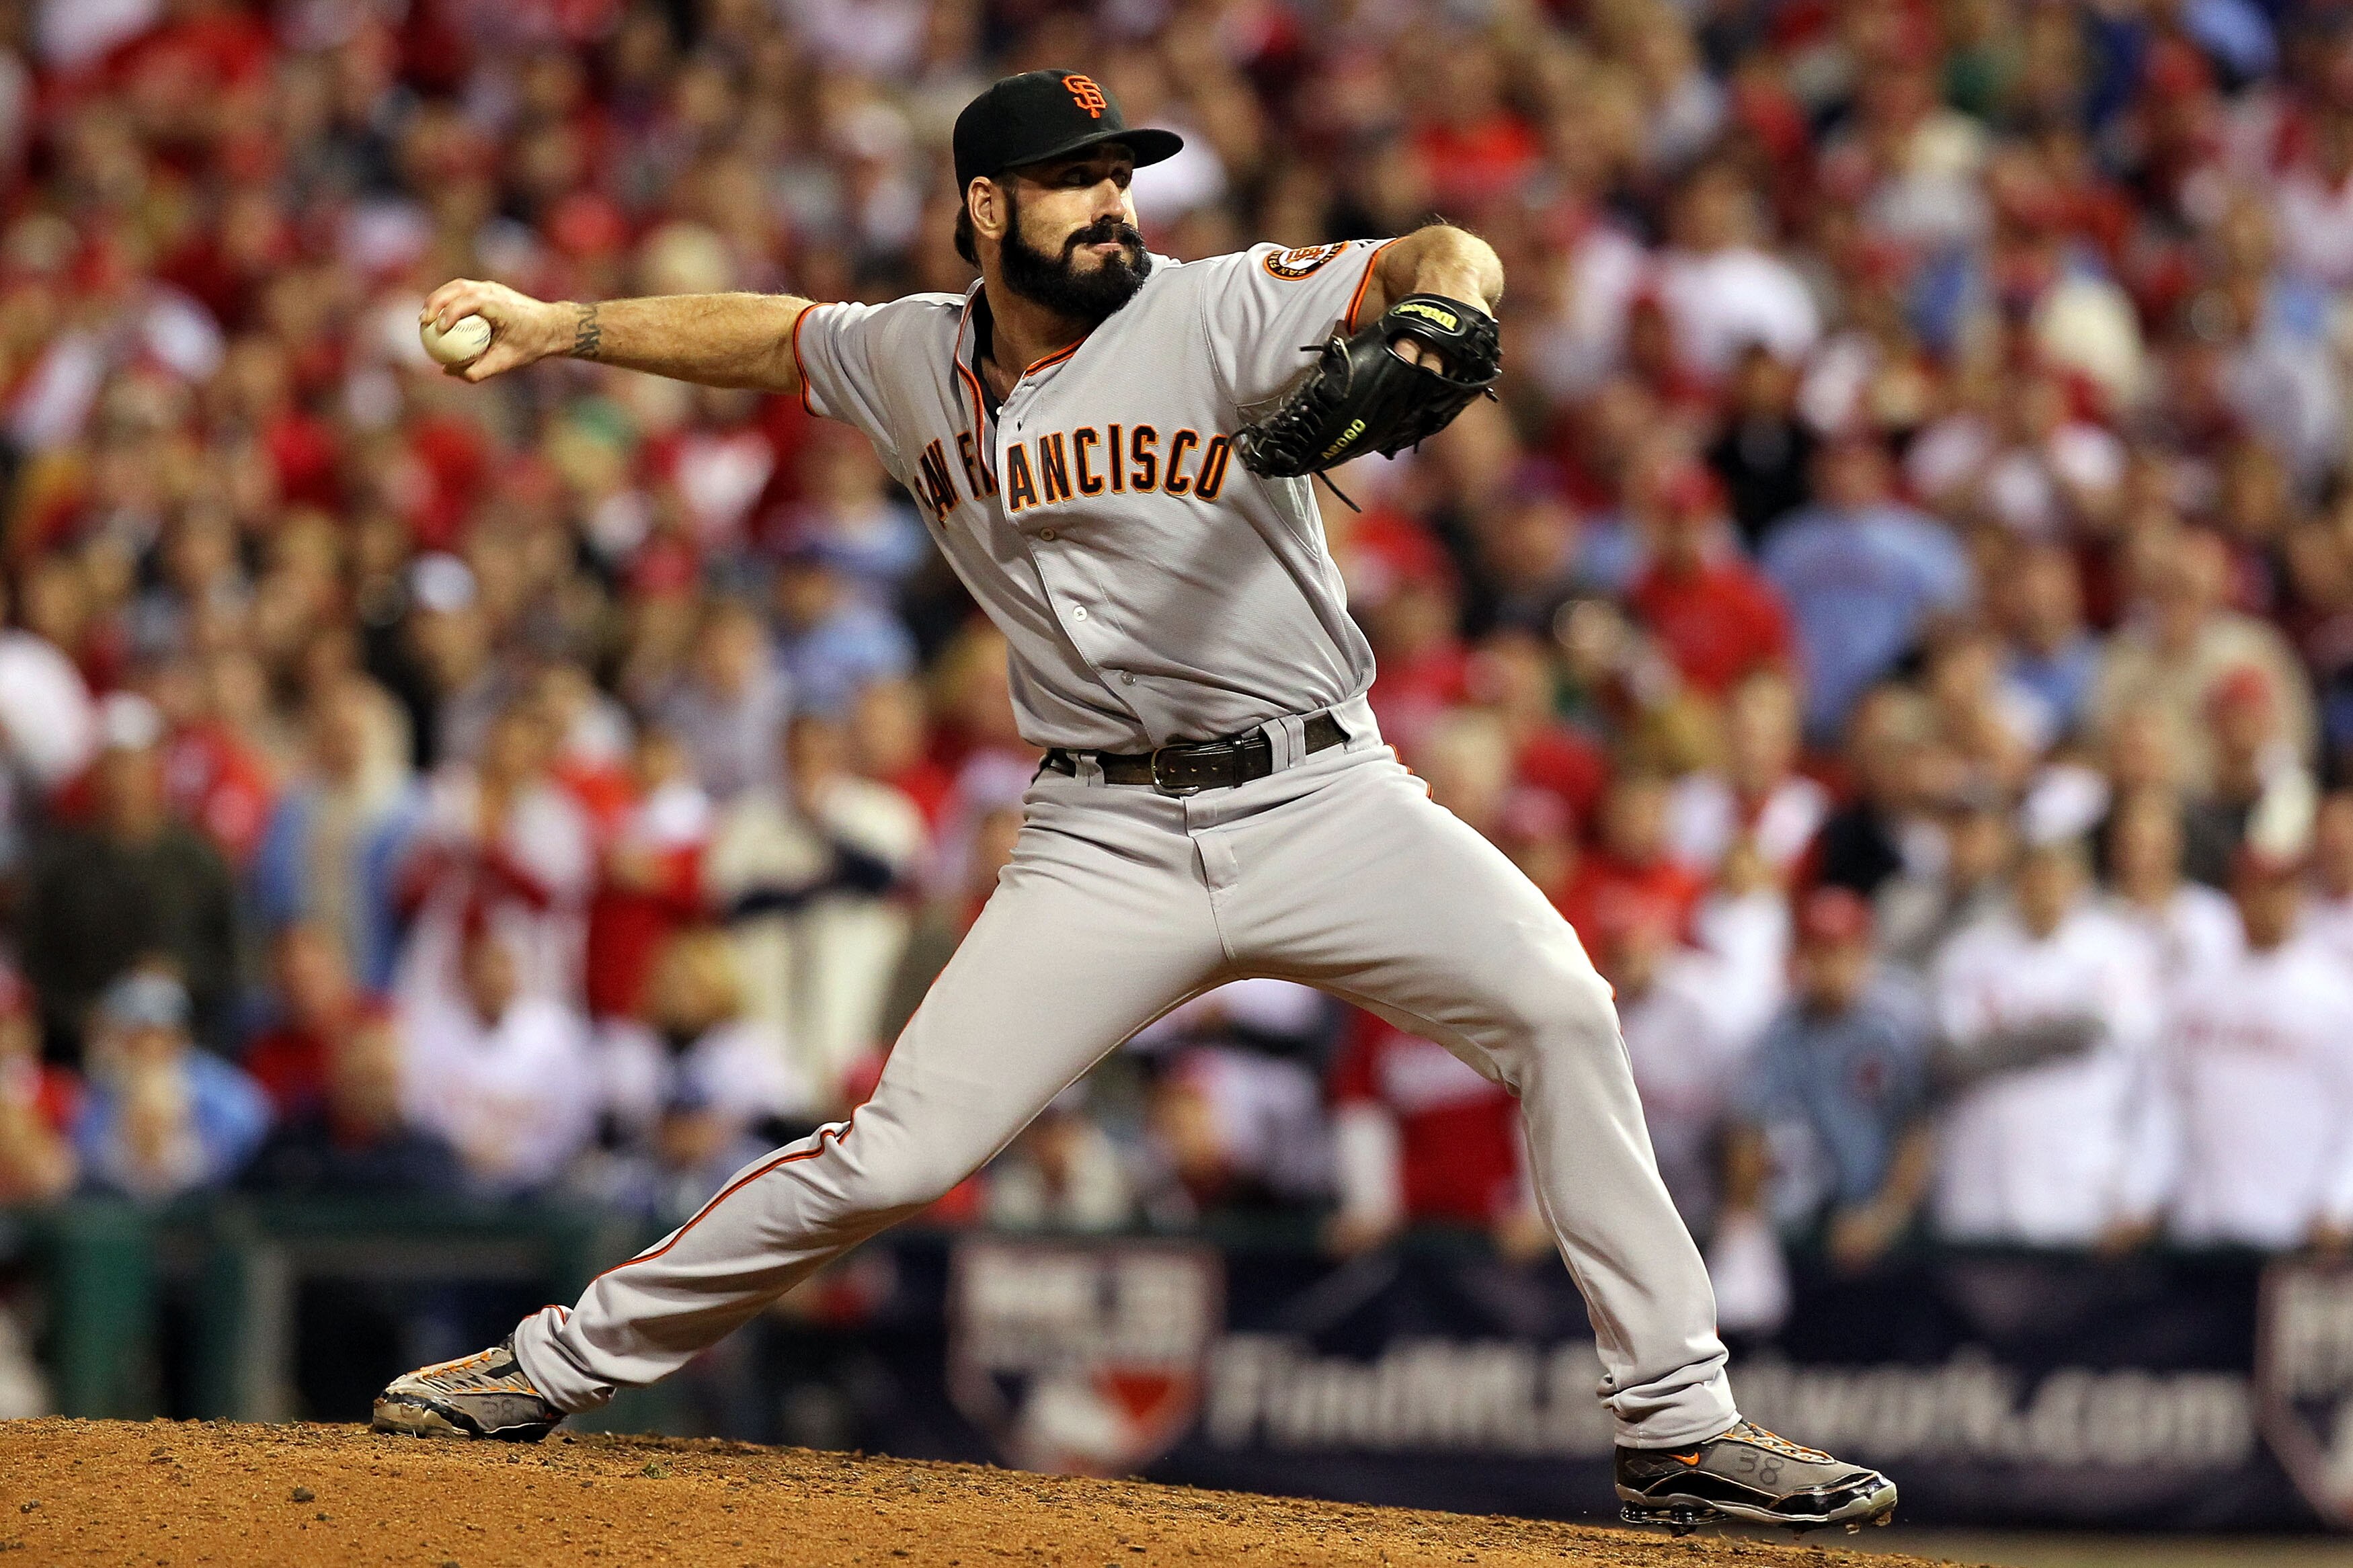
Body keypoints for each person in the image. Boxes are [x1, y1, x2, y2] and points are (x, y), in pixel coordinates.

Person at [378, 68, 1892, 1533]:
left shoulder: (1214, 306)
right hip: (1102, 834)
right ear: (985, 206)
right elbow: (772, 336)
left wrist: (1451, 310)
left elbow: (1444, 251)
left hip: (1322, 795)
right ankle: (550, 1366)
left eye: (1120, 177)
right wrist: (560, 326)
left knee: (1562, 1007)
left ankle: (1677, 1427)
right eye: (1073, 182)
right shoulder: (910, 355)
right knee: (899, 1152)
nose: (1112, 204)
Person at [2114, 850, 2353, 1251]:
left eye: (2281, 890)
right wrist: (2142, 1195)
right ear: (2236, 897)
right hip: (2202, 1222)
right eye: (2257, 890)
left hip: (2297, 1229)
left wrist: (2339, 1202)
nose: (2269, 904)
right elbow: (2165, 1102)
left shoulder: (2335, 996)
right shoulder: (2196, 992)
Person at [75, 969, 272, 1202]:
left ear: (179, 1034)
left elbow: (250, 1127)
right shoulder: (103, 1089)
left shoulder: (216, 1088)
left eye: (157, 1032)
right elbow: (87, 1154)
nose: (148, 1044)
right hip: (124, 1209)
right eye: (134, 1034)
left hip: (209, 1206)